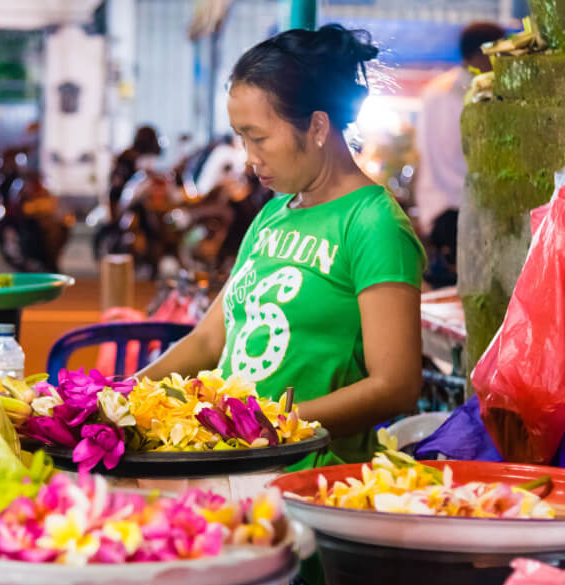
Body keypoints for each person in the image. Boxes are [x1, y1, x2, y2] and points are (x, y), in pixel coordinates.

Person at [143, 23, 424, 465]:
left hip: (310, 479)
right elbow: (209, 341)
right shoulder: (274, 213)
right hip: (235, 465)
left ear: (315, 127)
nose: (250, 158)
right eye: (241, 138)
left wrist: (268, 428)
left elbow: (397, 385)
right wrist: (120, 394)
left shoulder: (372, 223)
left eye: (258, 137)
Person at [414, 21, 505, 286]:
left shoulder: (432, 92)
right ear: (482, 54)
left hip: (436, 210)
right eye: (498, 53)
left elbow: (421, 154)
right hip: (465, 210)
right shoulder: (481, 95)